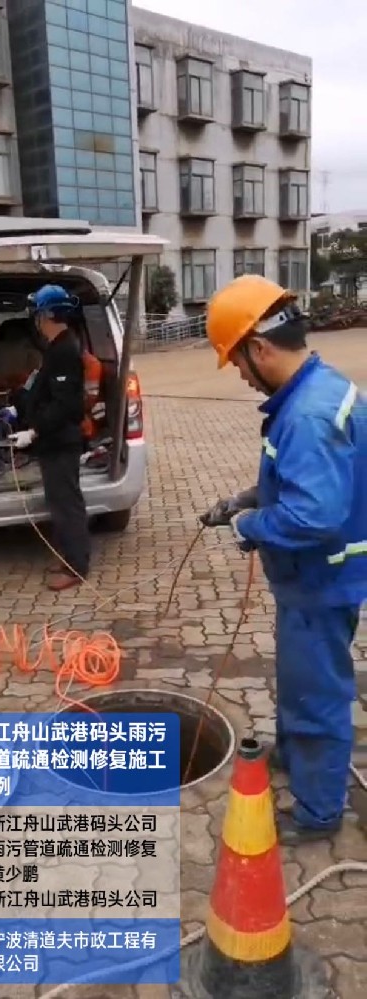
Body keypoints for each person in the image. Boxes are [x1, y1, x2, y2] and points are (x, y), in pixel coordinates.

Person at [200, 274, 367, 845]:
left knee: (317, 691)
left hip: (321, 580)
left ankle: (318, 813)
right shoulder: (318, 388)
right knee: (299, 677)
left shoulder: (307, 417)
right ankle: (295, 755)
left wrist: (249, 526)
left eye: (238, 363)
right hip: (314, 580)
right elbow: (306, 481)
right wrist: (247, 498)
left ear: (259, 347)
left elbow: (312, 516)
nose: (242, 376)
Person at [9, 284, 90, 592]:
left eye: (39, 314)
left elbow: (65, 404)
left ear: (50, 315)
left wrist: (35, 430)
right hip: (52, 441)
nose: (37, 320)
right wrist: (20, 407)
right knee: (57, 502)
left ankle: (76, 566)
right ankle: (67, 555)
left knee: (67, 504)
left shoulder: (64, 351)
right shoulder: (56, 348)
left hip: (61, 441)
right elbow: (45, 392)